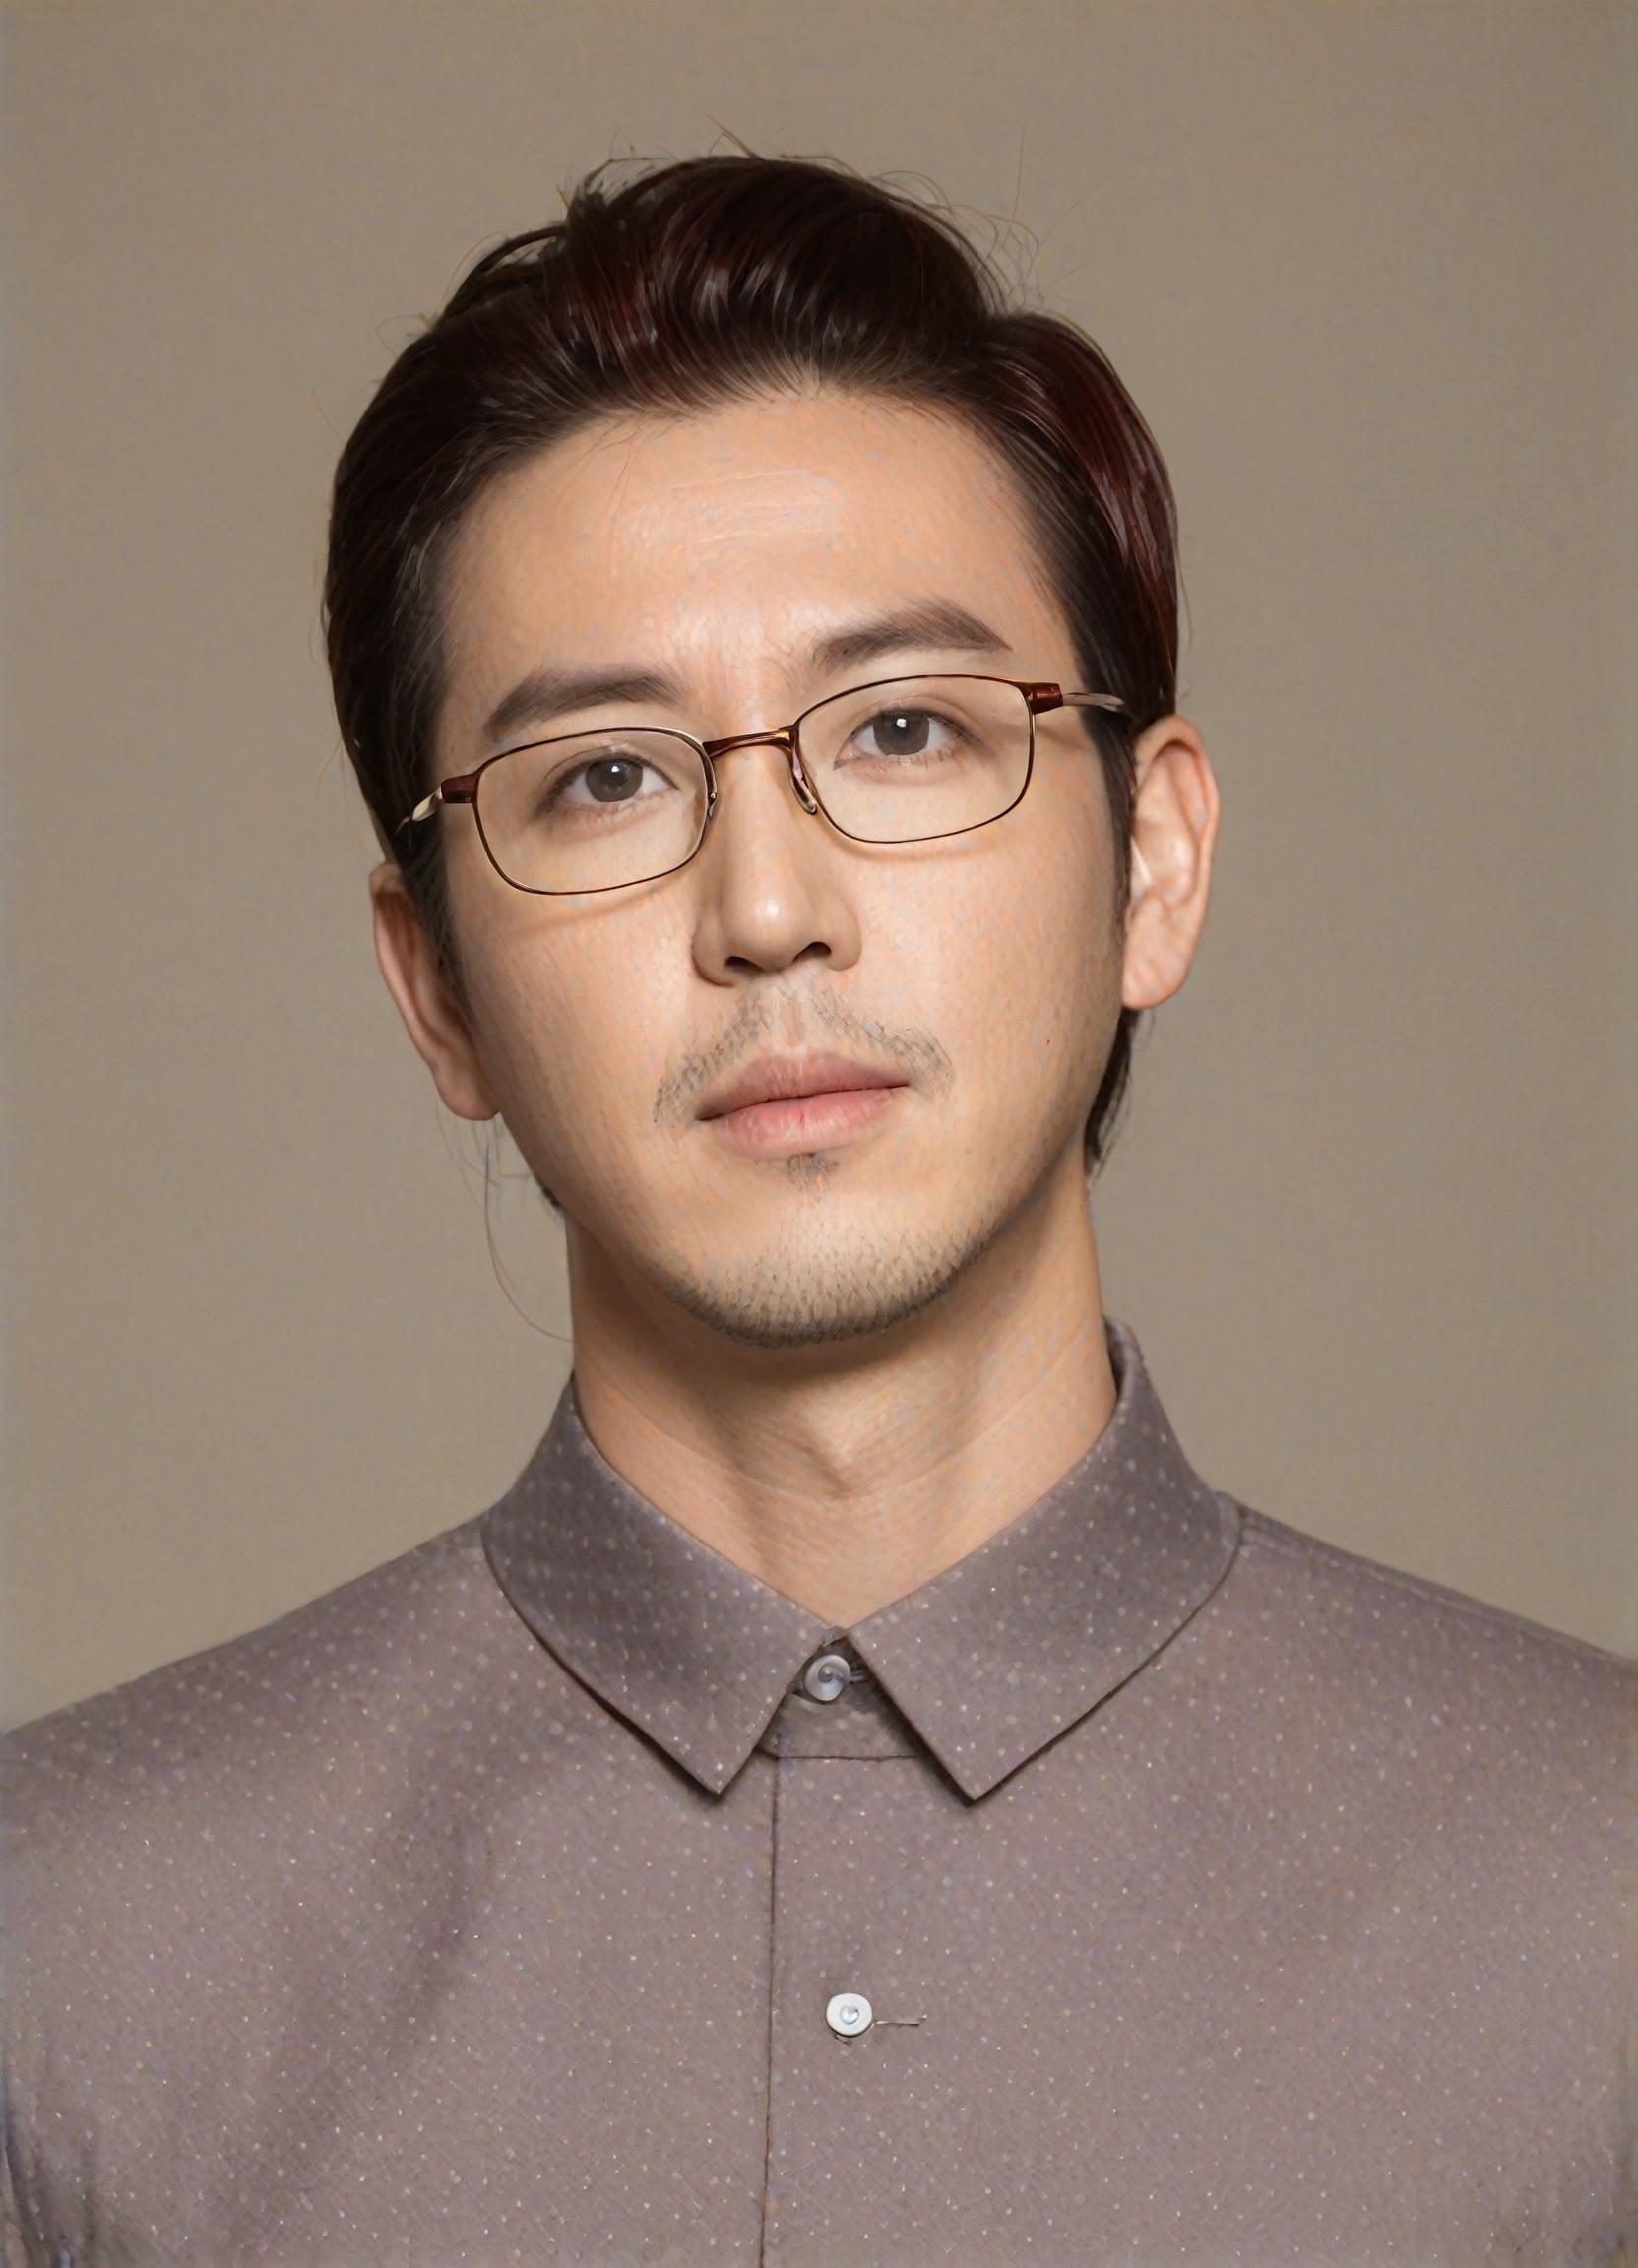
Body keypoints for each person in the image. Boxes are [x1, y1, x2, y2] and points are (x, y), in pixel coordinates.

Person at [3, 154, 1630, 2268]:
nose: (768, 908)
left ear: (1153, 862)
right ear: (436, 990)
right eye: (602, 776)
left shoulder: (1594, 1905)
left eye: (909, 729)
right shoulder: (65, 1956)